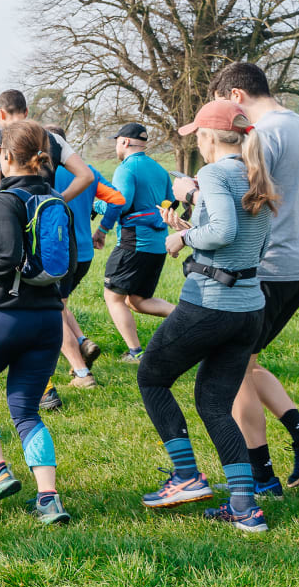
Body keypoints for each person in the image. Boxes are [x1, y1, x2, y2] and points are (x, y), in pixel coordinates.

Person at [194, 62, 299, 491]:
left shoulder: (265, 133)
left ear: (236, 96)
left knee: (231, 367)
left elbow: (247, 201)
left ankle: (263, 475)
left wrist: (195, 197)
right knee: (245, 362)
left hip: (269, 264)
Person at [137, 100, 278, 532]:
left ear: (209, 137)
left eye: (197, 134)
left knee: (152, 377)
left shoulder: (215, 173)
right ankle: (244, 506)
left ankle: (185, 477)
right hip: (248, 308)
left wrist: (182, 241)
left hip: (211, 303)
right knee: (215, 402)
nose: (196, 141)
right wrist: (189, 229)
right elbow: (248, 241)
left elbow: (223, 231)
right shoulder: (256, 174)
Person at [0, 119, 71, 525]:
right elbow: (66, 265)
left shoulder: (7, 198)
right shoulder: (57, 198)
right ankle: (48, 498)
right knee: (26, 409)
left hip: (4, 313)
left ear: (4, 157)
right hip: (49, 320)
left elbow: (3, 259)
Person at [45, 124, 125, 393]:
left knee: (52, 309)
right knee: (59, 303)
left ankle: (81, 372)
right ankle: (82, 340)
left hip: (57, 252)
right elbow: (117, 199)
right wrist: (102, 231)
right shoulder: (86, 171)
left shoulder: (46, 172)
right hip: (84, 254)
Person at [103, 122, 176, 360]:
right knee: (137, 300)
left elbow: (120, 203)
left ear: (124, 142)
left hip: (133, 244)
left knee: (113, 296)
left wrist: (97, 206)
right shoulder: (159, 169)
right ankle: (184, 316)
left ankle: (135, 352)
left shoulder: (127, 169)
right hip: (158, 245)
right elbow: (171, 204)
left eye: (117, 141)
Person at [0, 90, 94, 203]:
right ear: (26, 111)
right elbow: (86, 176)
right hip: (45, 219)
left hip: (11, 215)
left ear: (1, 113)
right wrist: (58, 200)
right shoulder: (55, 139)